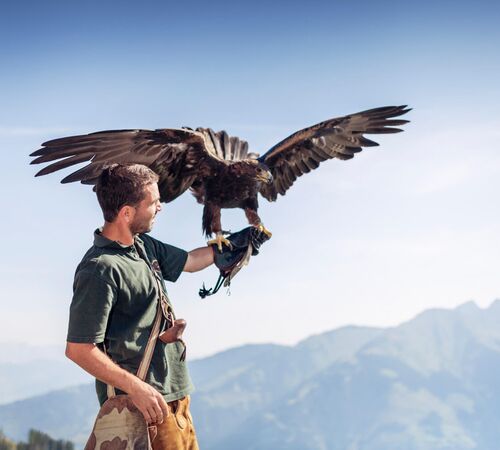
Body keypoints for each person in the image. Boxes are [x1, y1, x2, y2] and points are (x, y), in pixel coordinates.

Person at [65, 163, 216, 450]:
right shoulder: (99, 269)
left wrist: (233, 247)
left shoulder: (143, 246)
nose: (160, 208)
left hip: (177, 400)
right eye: (154, 202)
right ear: (126, 213)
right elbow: (79, 349)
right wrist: (137, 388)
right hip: (141, 410)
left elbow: (192, 262)